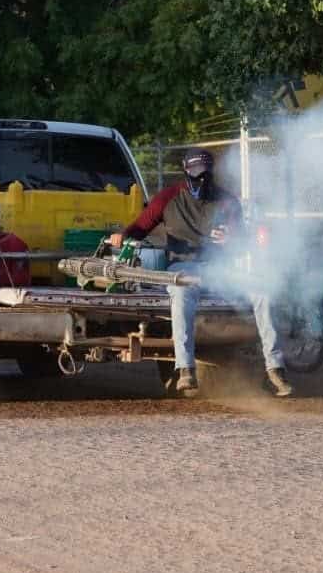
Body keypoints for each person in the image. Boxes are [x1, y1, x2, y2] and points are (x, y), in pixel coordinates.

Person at [108, 148, 292, 397]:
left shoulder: (226, 201)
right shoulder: (169, 197)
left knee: (262, 292)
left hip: (221, 270)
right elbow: (141, 227)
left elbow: (242, 243)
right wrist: (123, 235)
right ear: (186, 172)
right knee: (181, 296)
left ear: (212, 172)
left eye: (205, 171)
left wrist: (231, 239)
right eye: (195, 171)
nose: (201, 177)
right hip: (183, 267)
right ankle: (185, 369)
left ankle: (275, 369)